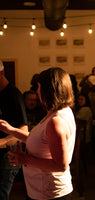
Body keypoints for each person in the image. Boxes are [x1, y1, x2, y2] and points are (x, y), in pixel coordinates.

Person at [0, 67, 76, 200]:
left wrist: (24, 159)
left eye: (39, 87)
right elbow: (41, 141)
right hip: (42, 190)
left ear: (49, 90)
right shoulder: (61, 111)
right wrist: (11, 130)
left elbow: (60, 165)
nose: (37, 91)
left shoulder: (55, 121)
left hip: (50, 193)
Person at [0, 60, 28, 200]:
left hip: (7, 155)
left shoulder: (13, 95)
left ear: (2, 73)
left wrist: (1, 142)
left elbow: (23, 131)